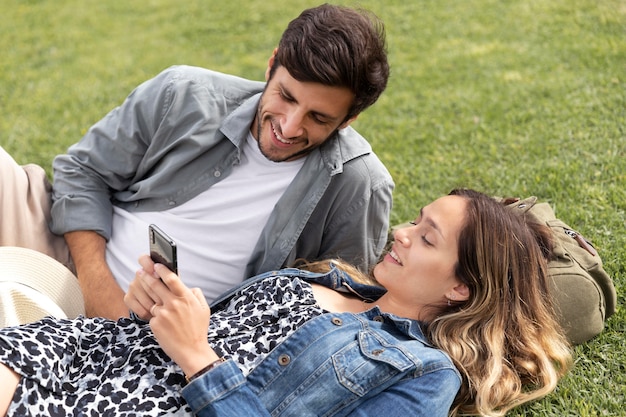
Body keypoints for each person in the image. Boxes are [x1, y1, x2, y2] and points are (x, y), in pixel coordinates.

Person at [0, 189, 572, 417]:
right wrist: (157, 308)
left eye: (426, 238)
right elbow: (210, 329)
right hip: (100, 349)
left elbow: (203, 355)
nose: (400, 233)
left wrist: (198, 358)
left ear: (461, 288)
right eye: (415, 221)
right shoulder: (336, 279)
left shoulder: (426, 375)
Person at [0, 3, 393, 320]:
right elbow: (82, 171)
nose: (289, 127)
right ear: (272, 64)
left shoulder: (359, 187)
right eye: (286, 97)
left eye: (318, 118)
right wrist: (97, 289)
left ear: (349, 120)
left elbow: (341, 313)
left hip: (161, 340)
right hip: (71, 255)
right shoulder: (184, 93)